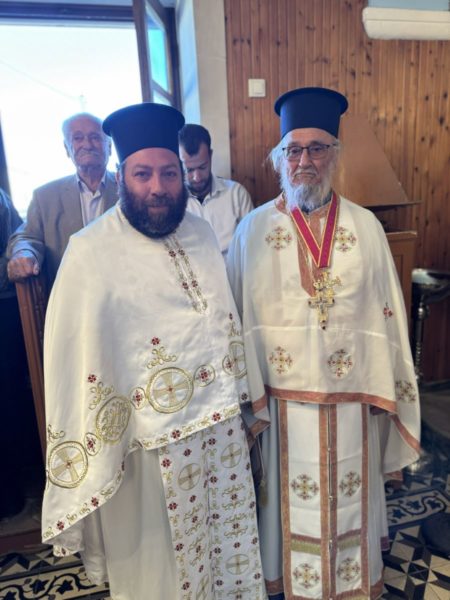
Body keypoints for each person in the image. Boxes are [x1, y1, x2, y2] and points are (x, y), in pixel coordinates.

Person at [41, 102, 266, 600]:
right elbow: (71, 358)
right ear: (122, 176)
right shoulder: (89, 250)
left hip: (219, 436)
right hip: (145, 450)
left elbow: (224, 321)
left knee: (225, 555)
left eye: (169, 173)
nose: (158, 187)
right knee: (160, 573)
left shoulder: (201, 233)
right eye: (143, 174)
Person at [226, 87, 421, 599]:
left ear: (334, 154)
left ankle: (352, 581)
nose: (305, 161)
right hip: (281, 407)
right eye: (294, 150)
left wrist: (387, 382)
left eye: (317, 148)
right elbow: (236, 318)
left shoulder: (365, 227)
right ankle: (289, 581)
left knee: (352, 492)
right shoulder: (251, 230)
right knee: (285, 501)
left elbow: (387, 312)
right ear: (279, 157)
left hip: (352, 398)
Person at [7, 112, 118, 289]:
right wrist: (25, 252)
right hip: (69, 293)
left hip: (123, 291)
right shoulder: (45, 196)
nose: (87, 145)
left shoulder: (129, 189)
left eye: (95, 137)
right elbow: (27, 236)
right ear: (67, 148)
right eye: (78, 138)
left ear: (110, 147)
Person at [179, 123, 253, 257]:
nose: (196, 177)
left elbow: (252, 243)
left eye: (202, 167)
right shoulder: (174, 203)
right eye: (189, 170)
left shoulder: (236, 194)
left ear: (210, 155)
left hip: (232, 269)